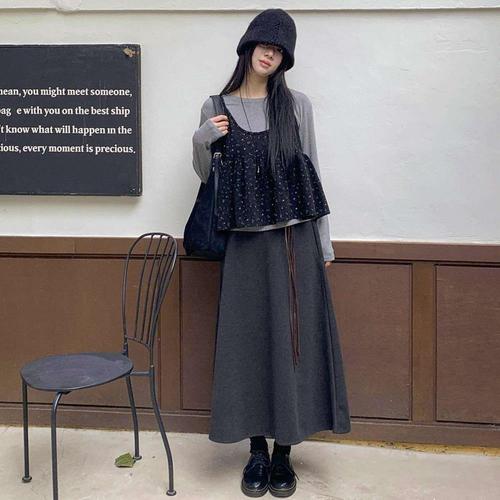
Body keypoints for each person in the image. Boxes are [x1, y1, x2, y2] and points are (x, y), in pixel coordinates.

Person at [191, 8, 351, 498]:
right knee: (249, 343)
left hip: (292, 242)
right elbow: (207, 176)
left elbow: (312, 169)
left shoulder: (296, 106)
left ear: (285, 60)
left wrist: (324, 242)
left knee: (293, 343)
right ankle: (256, 451)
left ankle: (284, 453)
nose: (270, 54)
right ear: (248, 47)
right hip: (243, 244)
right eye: (265, 44)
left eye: (279, 50)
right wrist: (202, 138)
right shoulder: (215, 106)